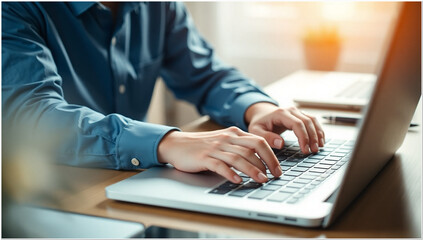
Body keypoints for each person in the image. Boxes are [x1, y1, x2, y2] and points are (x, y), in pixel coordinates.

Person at [2, 2, 325, 185]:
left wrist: (258, 109)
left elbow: (204, 72)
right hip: (44, 196)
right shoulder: (14, 8)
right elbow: (31, 115)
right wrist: (167, 142)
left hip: (136, 184)